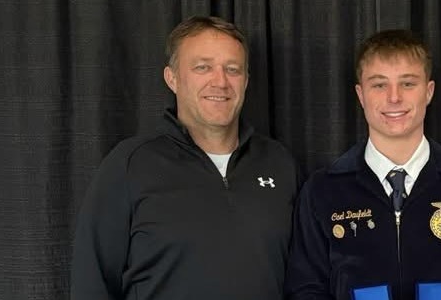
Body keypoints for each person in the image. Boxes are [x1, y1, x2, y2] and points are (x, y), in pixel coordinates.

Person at [71, 16, 300, 299]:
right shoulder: (130, 165)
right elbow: (92, 283)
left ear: (246, 80)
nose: (220, 81)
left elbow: (302, 278)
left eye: (233, 69)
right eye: (203, 67)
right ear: (172, 78)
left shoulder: (279, 163)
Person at [285, 29, 441, 299]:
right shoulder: (322, 191)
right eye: (379, 85)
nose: (394, 97)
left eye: (408, 83)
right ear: (360, 94)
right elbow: (305, 289)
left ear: (429, 91)